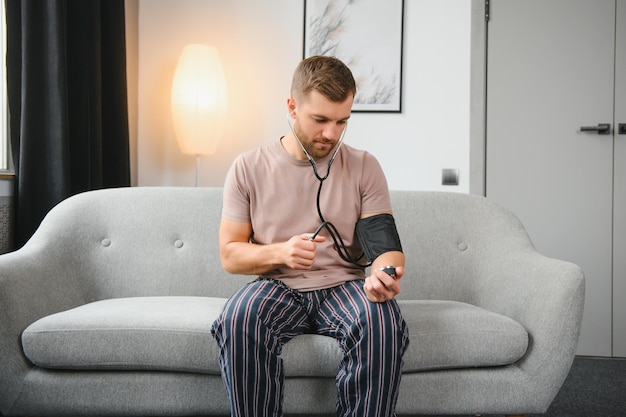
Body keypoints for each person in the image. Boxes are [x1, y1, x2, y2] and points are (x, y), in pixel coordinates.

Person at [211, 55, 409, 417]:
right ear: (292, 107)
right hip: (277, 285)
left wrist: (386, 274)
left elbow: (385, 248)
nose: (331, 134)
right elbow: (230, 254)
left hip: (345, 287)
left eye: (341, 121)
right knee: (239, 318)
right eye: (320, 120)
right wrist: (281, 253)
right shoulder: (248, 167)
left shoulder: (364, 166)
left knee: (382, 320)